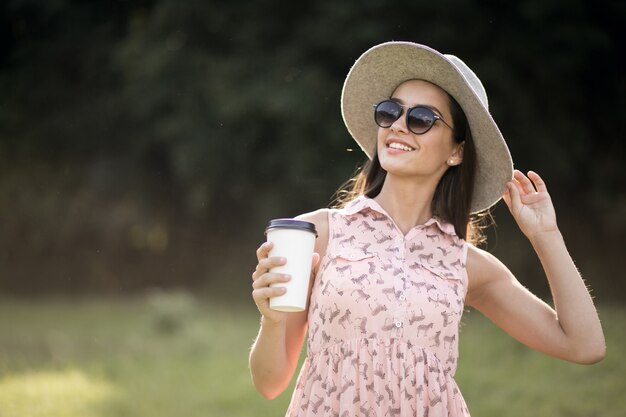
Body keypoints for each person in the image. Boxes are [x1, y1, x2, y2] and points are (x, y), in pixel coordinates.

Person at [248, 41, 605, 417]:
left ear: (457, 151)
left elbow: (585, 346)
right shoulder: (317, 233)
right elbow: (269, 383)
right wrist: (271, 320)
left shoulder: (465, 263)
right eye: (390, 112)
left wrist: (546, 236)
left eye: (421, 118)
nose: (399, 125)